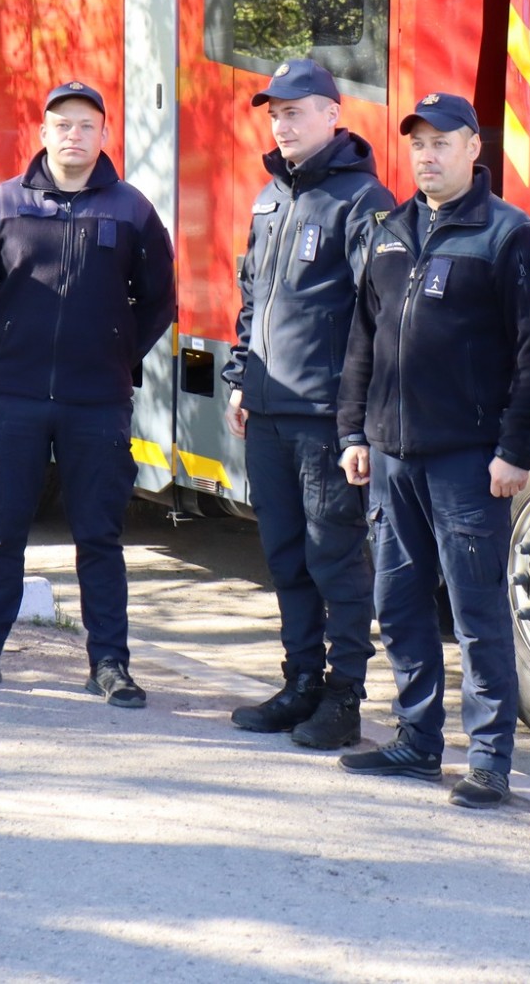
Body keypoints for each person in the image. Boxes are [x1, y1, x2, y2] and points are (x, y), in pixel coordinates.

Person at [335, 92, 530, 808]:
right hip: (392, 456)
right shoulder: (390, 229)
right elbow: (362, 339)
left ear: (474, 150)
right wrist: (353, 431)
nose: (428, 155)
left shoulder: (509, 237)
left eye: (442, 142)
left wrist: (514, 450)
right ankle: (416, 737)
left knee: (477, 611)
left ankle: (489, 758)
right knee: (397, 601)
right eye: (419, 143)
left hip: (469, 461)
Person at [0, 80, 175, 708]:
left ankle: (109, 663)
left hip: (98, 402)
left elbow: (159, 300)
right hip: (15, 397)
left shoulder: (131, 209)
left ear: (103, 135)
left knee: (99, 536)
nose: (74, 135)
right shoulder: (4, 204)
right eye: (62, 124)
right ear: (42, 133)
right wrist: (7, 351)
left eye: (87, 125)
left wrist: (116, 356)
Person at [222, 59, 394, 749]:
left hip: (325, 418)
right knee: (286, 555)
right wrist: (241, 378)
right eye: (276, 113)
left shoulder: (362, 200)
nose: (283, 124)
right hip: (266, 410)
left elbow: (377, 316)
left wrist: (356, 423)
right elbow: (251, 296)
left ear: (332, 114)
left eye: (296, 112)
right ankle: (300, 683)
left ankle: (344, 695)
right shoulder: (270, 197)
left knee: (335, 558)